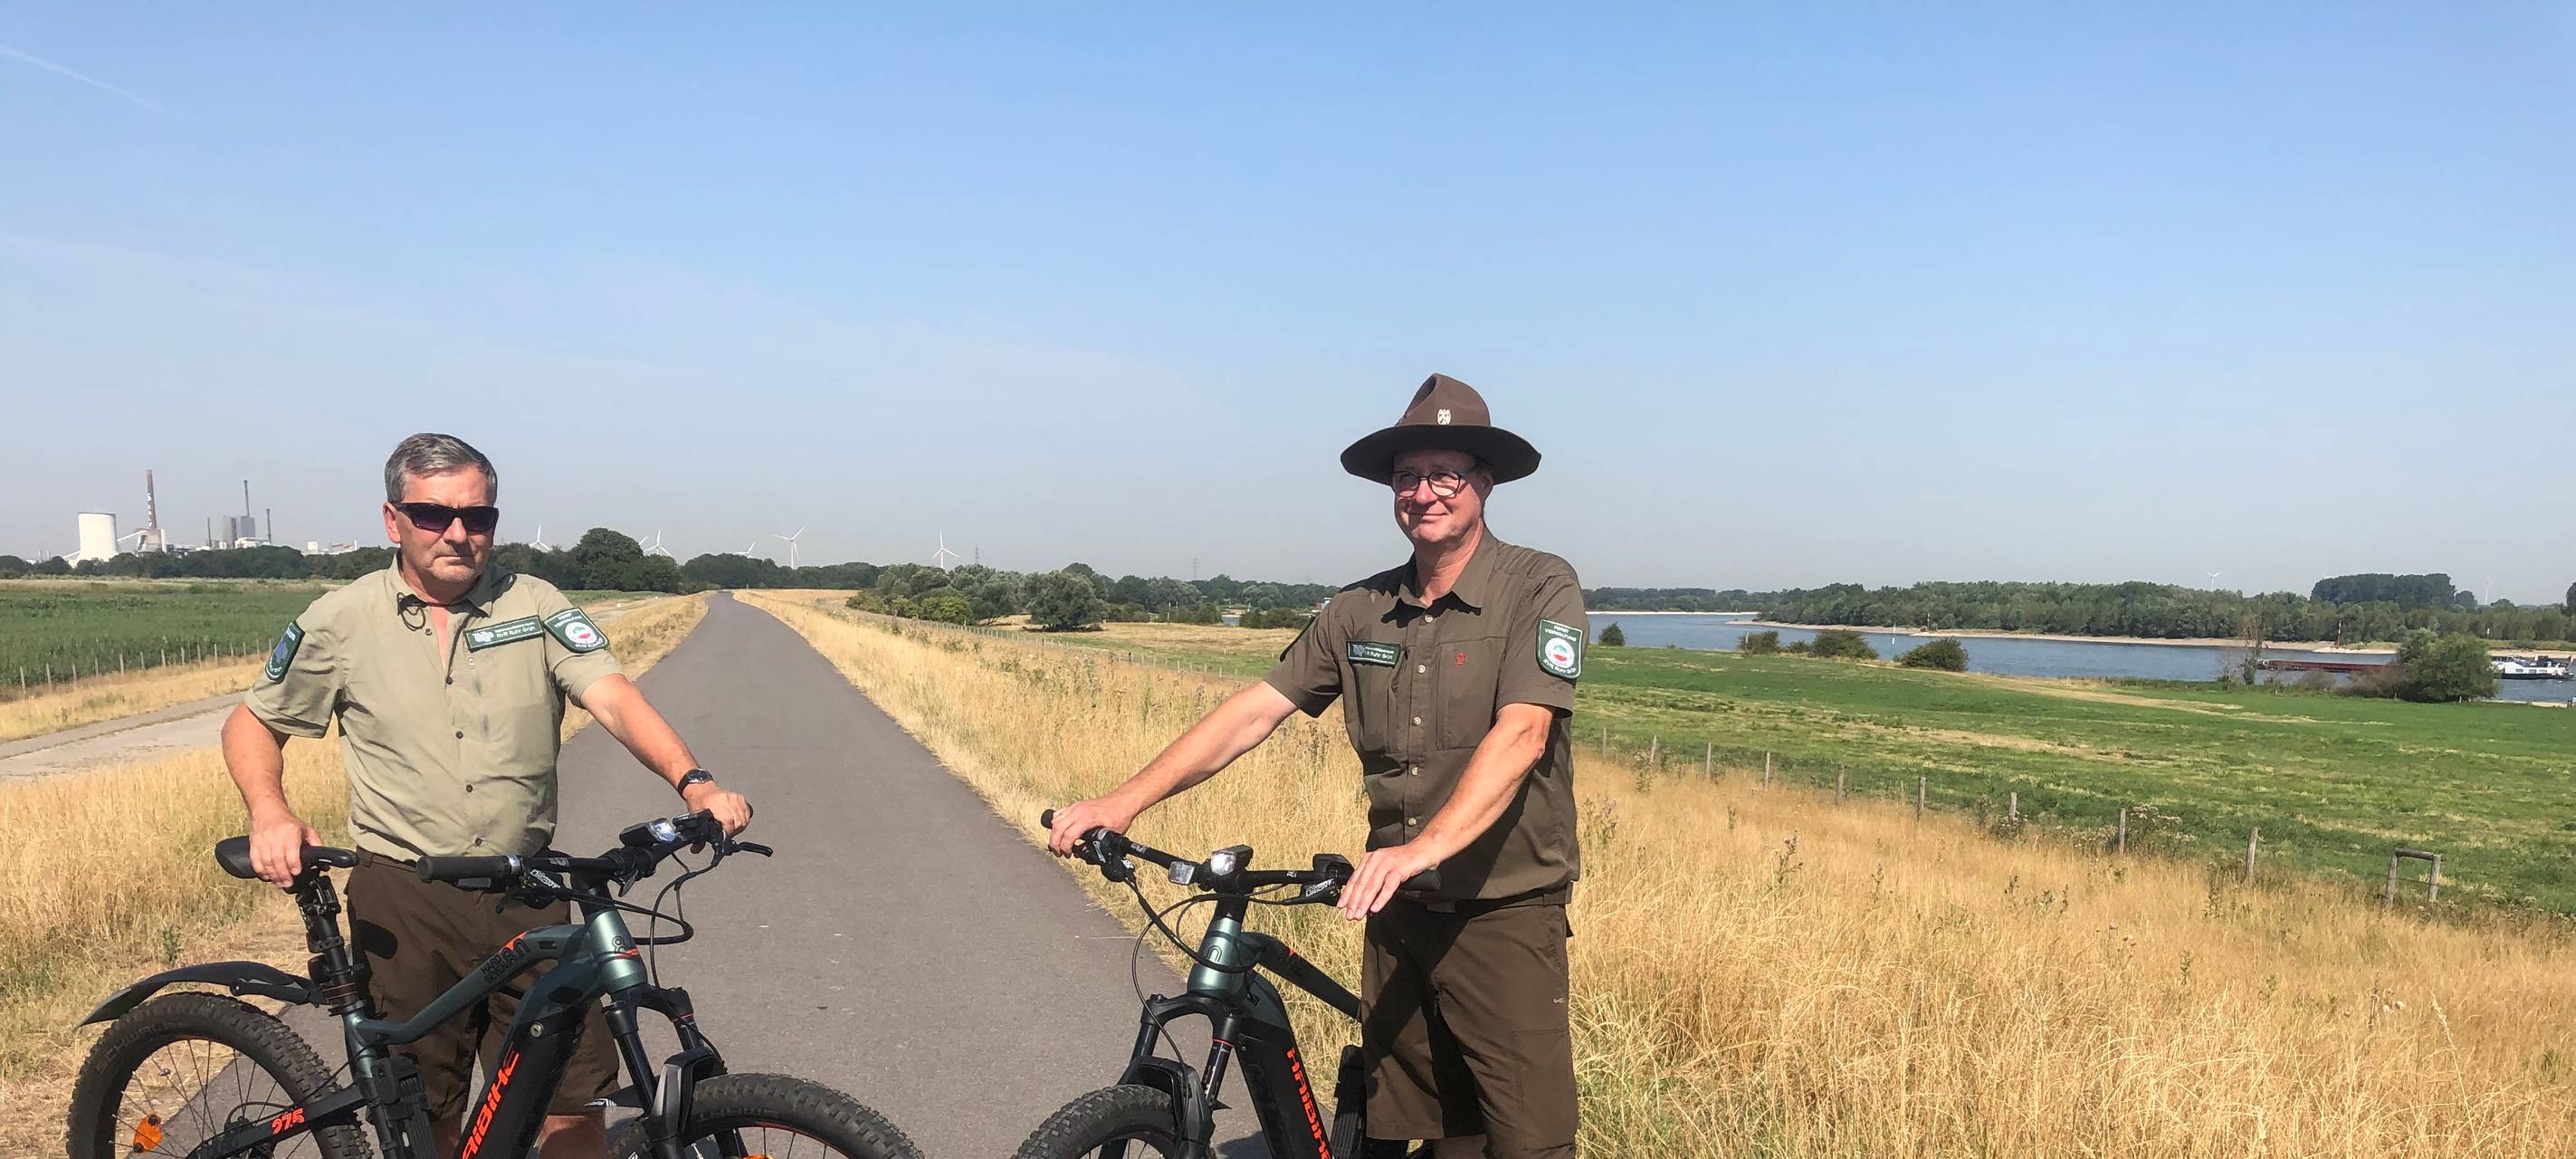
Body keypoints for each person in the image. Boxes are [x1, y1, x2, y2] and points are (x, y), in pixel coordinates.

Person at [1048, 375, 1585, 1158]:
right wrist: (1123, 802)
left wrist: (1422, 849)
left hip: (1500, 910)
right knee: (1433, 1129)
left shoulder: (1538, 585)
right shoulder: (1357, 610)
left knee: (1526, 1143)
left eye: (1445, 474)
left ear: (1485, 483)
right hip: (1396, 911)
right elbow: (1255, 710)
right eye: (1407, 476)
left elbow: (1524, 733)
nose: (1423, 493)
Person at [224, 432, 751, 1159]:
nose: (457, 532)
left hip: (528, 888)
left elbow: (614, 698)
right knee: (430, 1113)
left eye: (477, 517)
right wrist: (271, 811)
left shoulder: (535, 605)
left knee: (573, 1102)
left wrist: (695, 783)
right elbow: (255, 722)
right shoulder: (341, 619)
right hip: (407, 896)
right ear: (393, 520)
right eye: (433, 514)